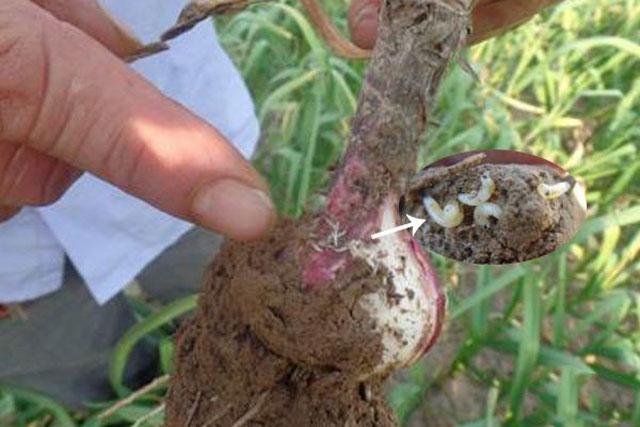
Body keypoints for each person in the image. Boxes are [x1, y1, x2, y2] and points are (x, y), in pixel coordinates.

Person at [0, 0, 557, 409]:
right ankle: (136, 394)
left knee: (237, 298)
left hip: (187, 150)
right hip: (13, 270)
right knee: (76, 364)